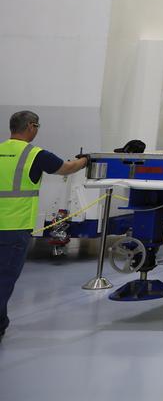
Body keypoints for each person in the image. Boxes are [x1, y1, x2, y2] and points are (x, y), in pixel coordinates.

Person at [0, 110, 90, 343]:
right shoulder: (34, 154)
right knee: (4, 278)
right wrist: (86, 160)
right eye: (37, 126)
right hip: (14, 227)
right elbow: (67, 168)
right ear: (31, 126)